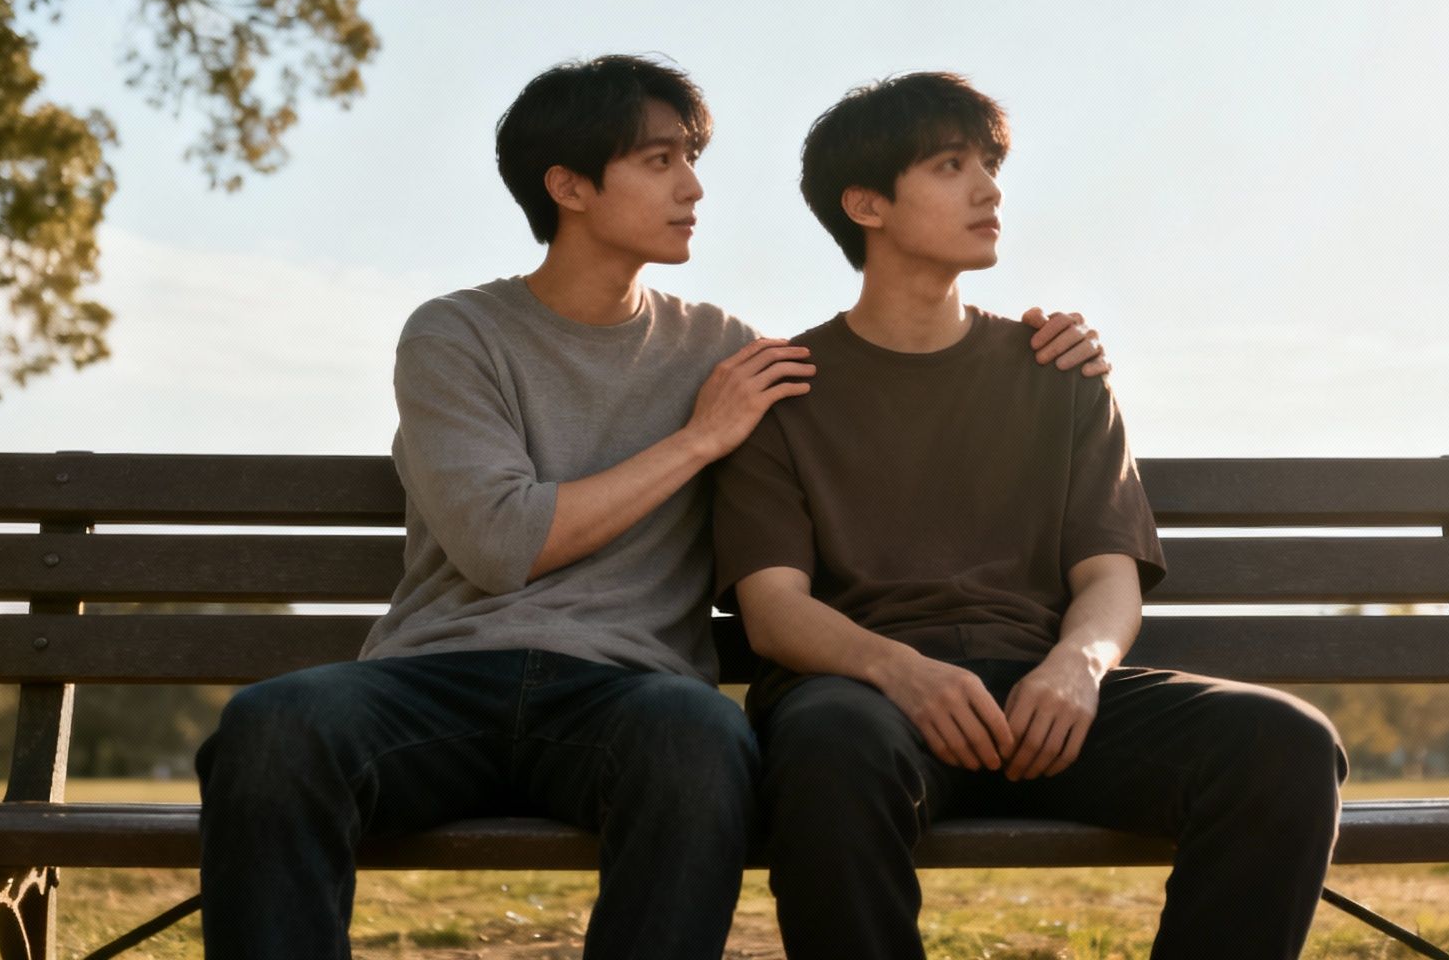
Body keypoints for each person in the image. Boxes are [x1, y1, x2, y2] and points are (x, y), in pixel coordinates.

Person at [193, 55, 1113, 960]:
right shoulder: (456, 334)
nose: (695, 188)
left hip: (629, 694)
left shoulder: (725, 348)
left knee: (703, 739)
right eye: (660, 160)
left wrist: (1048, 346)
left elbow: (886, 377)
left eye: (693, 159)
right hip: (436, 683)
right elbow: (502, 543)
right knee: (275, 726)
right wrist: (699, 439)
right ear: (569, 185)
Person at [716, 72, 1347, 960]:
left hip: (1047, 698)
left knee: (1284, 741)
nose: (989, 189)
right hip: (869, 701)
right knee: (826, 745)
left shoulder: (1060, 372)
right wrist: (904, 674)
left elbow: (1108, 576)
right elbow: (774, 609)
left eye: (989, 163)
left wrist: (1077, 668)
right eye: (949, 165)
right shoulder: (782, 390)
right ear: (867, 204)